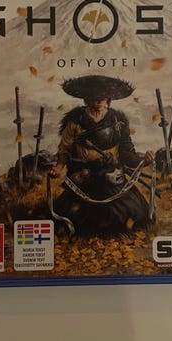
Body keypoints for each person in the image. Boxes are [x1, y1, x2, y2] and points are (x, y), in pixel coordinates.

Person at [50, 75, 154, 235]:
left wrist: (144, 160)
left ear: (108, 98)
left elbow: (127, 154)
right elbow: (65, 150)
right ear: (87, 98)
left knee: (135, 213)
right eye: (94, 96)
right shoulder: (75, 121)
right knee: (73, 214)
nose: (99, 100)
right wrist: (58, 167)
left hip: (111, 175)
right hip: (84, 176)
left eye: (103, 96)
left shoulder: (118, 121)